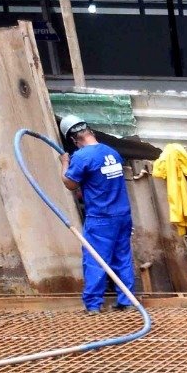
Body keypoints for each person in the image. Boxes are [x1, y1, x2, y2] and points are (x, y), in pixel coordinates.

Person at [59, 115, 136, 314]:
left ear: (74, 140)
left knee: (95, 260)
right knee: (122, 257)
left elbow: (70, 183)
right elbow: (97, 180)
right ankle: (126, 301)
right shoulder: (112, 152)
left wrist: (64, 162)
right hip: (123, 215)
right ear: (90, 131)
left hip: (101, 218)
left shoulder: (82, 157)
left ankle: (93, 305)